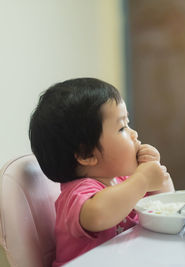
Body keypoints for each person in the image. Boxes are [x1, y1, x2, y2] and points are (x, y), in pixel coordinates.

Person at [29, 77, 174, 266]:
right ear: (86, 154)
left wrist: (158, 178)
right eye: (122, 128)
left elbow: (166, 207)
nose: (134, 134)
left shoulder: (124, 180)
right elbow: (99, 214)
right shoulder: (77, 195)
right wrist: (143, 180)